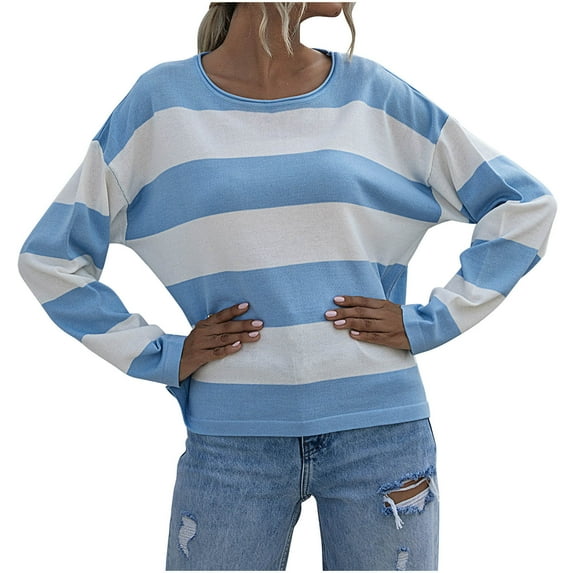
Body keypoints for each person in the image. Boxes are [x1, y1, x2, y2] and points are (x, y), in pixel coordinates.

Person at [17, 2, 556, 570]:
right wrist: (161, 354)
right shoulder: (160, 104)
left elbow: (522, 206)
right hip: (231, 442)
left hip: (380, 432)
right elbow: (52, 258)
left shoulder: (374, 94)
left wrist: (431, 321)